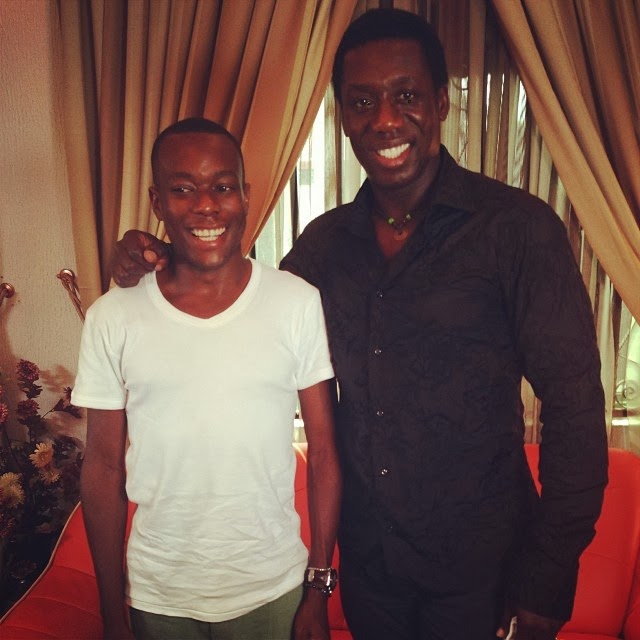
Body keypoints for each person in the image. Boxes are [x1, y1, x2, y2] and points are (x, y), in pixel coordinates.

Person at [109, 9, 608, 640]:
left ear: (441, 101)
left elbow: (575, 410)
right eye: (363, 101)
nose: (385, 120)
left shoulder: (518, 231)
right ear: (343, 116)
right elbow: (241, 312)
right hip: (373, 575)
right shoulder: (323, 247)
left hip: (485, 576)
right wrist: (153, 257)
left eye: (406, 96)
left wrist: (547, 581)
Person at [73, 117, 341, 640]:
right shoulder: (112, 316)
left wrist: (318, 587)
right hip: (158, 594)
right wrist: (111, 611)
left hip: (272, 587)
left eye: (222, 187)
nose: (205, 206)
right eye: (182, 189)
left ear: (245, 195)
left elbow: (326, 452)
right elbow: (102, 466)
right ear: (157, 202)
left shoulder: (296, 302)